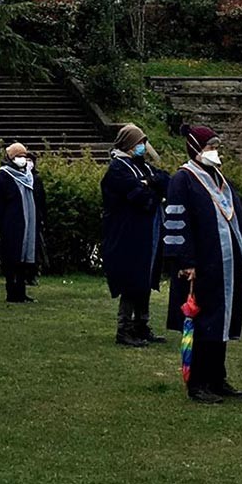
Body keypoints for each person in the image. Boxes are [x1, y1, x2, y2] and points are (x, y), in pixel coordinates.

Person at [162, 122, 242, 404]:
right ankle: (198, 383)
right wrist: (186, 261)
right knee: (202, 321)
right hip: (199, 266)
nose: (215, 151)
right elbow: (177, 222)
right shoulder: (183, 179)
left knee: (221, 322)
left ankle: (217, 377)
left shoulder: (218, 177)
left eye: (216, 147)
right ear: (196, 149)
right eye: (210, 147)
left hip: (224, 265)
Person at [101, 124, 169, 346]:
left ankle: (142, 325)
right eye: (139, 143)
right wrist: (151, 191)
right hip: (128, 233)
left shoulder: (143, 167)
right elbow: (140, 197)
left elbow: (165, 181)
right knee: (131, 281)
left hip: (148, 232)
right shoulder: (118, 169)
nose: (142, 147)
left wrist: (149, 184)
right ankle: (125, 329)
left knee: (145, 280)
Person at [0, 143, 45, 303]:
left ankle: (21, 291)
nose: (22, 159)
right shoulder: (3, 175)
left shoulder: (30, 175)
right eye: (18, 156)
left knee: (24, 258)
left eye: (24, 156)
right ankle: (11, 292)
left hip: (30, 221)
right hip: (12, 223)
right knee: (12, 257)